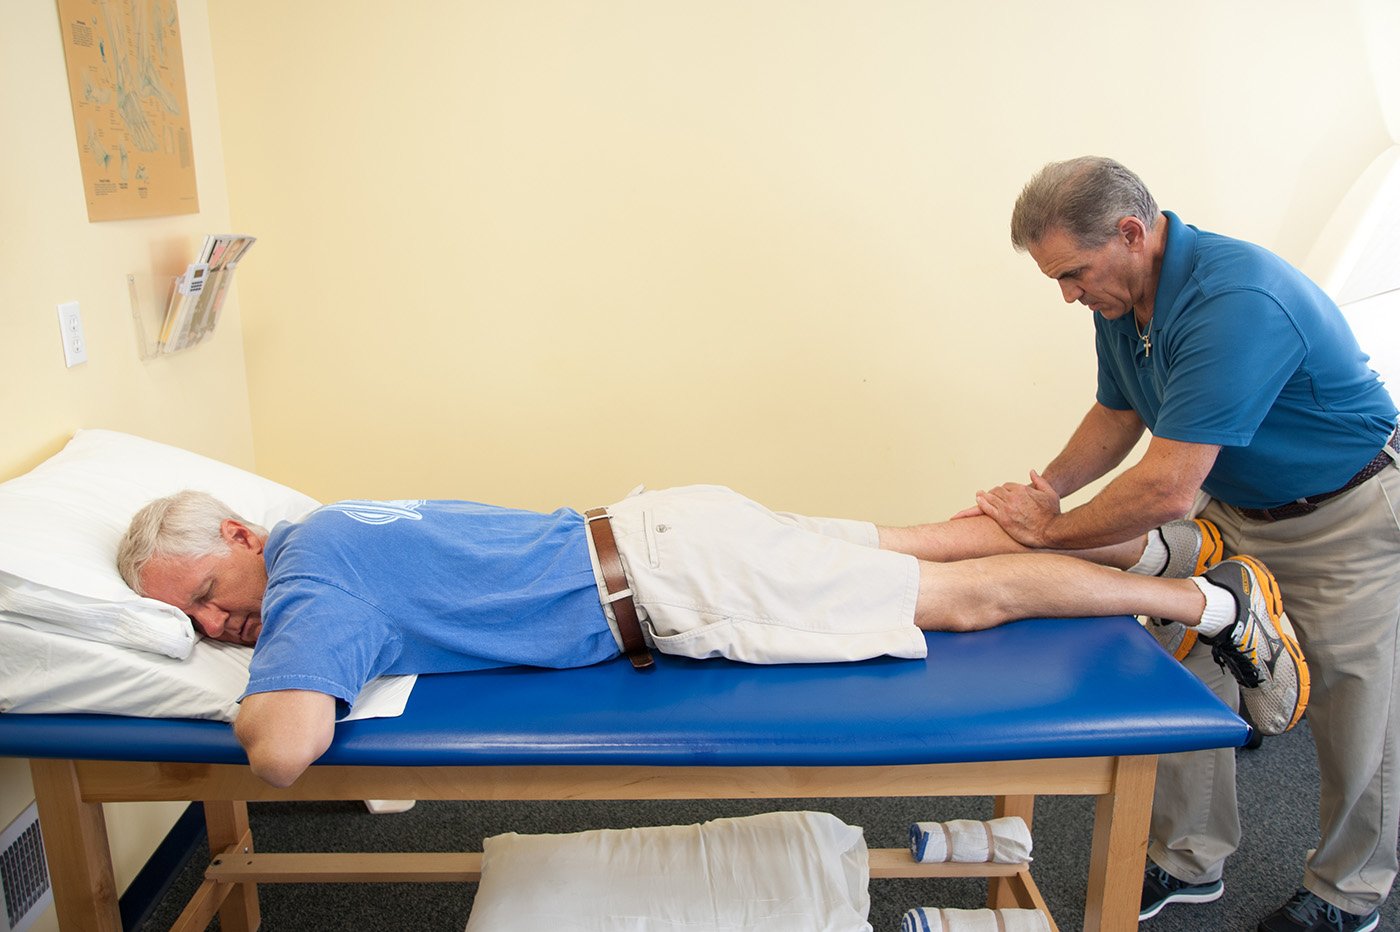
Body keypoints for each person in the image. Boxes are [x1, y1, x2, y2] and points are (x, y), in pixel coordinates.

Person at [117, 484, 1301, 793]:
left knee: (966, 595)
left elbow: (279, 747)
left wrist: (234, 676)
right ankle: (1160, 556)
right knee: (930, 539)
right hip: (662, 521)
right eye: (197, 622)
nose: (223, 623)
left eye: (214, 592)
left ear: (238, 528)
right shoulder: (330, 522)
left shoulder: (311, 580)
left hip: (681, 582)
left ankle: (1214, 603)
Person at [972, 156, 1399, 932]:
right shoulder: (1124, 298)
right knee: (1188, 662)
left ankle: (1349, 891)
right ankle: (1189, 855)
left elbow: (1166, 489)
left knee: (1355, 702)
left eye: (1072, 273)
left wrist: (1050, 535)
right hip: (1239, 509)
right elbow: (1116, 416)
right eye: (1056, 280)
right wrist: (1050, 493)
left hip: (1345, 510)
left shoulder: (1237, 299)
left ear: (1132, 233)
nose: (1069, 294)